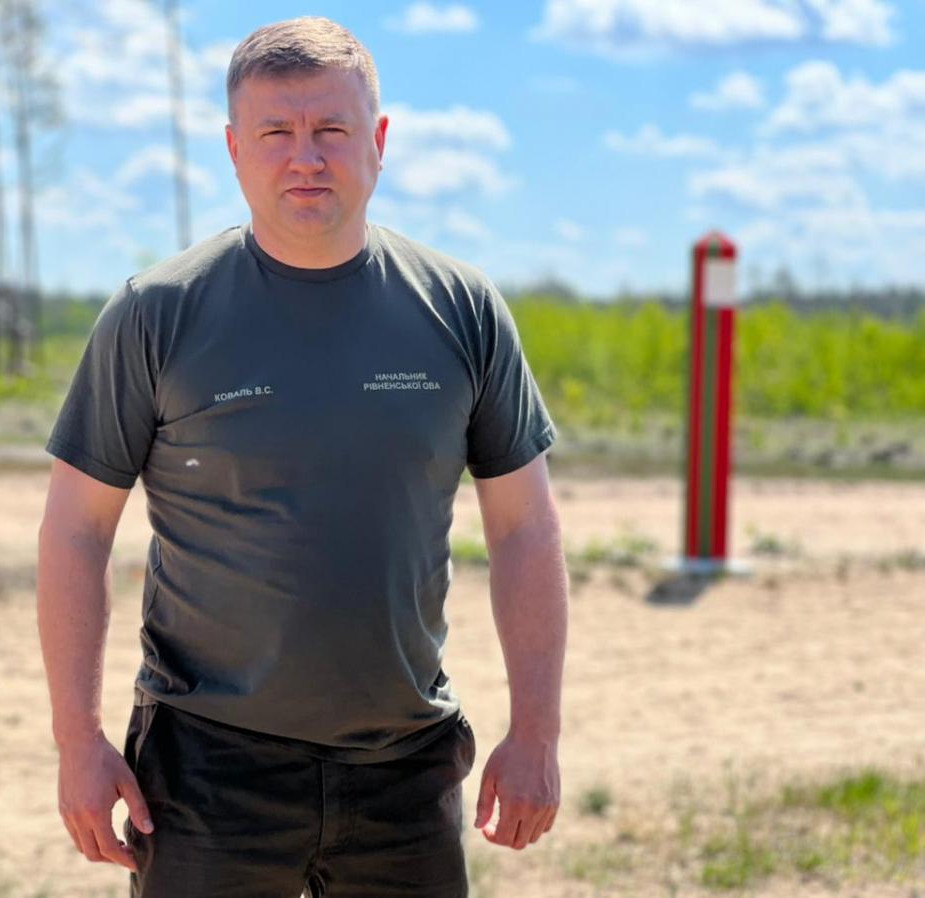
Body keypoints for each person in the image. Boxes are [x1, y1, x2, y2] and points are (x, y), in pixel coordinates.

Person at [36, 15, 567, 898]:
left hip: (406, 766)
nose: (306, 158)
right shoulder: (156, 314)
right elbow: (75, 530)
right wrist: (78, 741)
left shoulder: (462, 309)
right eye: (276, 132)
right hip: (206, 770)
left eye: (332, 130)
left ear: (379, 140)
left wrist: (538, 732)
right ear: (234, 149)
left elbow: (525, 530)